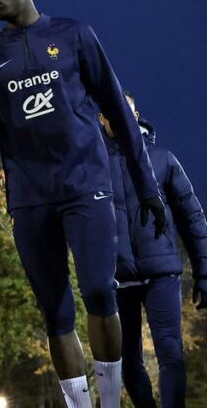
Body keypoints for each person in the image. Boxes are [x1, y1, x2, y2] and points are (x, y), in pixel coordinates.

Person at [0, 0, 167, 408]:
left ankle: (108, 400)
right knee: (55, 311)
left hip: (84, 185)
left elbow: (118, 113)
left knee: (97, 289)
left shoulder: (74, 34)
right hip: (31, 196)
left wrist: (146, 186)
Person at [101, 92, 207, 407]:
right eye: (111, 110)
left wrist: (204, 271)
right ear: (101, 119)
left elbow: (192, 217)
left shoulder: (163, 160)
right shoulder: (92, 169)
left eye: (126, 110)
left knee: (170, 353)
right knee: (127, 358)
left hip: (162, 273)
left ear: (135, 116)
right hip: (119, 279)